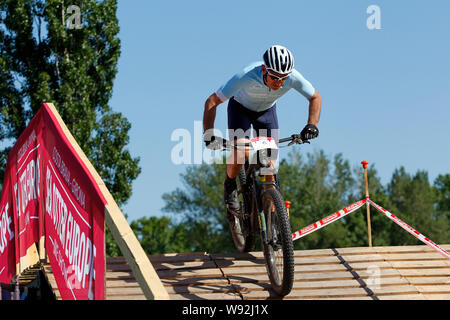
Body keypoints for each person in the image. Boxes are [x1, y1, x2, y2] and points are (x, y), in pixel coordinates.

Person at [202, 45, 322, 228]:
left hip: (266, 113)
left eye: (284, 78)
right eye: (274, 77)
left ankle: (271, 220)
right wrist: (208, 133)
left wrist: (312, 125)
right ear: (264, 69)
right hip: (240, 110)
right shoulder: (246, 75)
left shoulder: (293, 77)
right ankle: (230, 185)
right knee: (242, 151)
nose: (279, 83)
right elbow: (211, 101)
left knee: (270, 169)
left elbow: (315, 97)